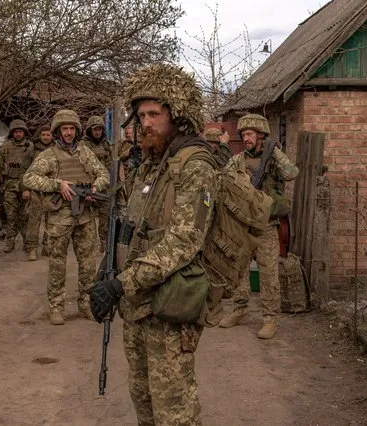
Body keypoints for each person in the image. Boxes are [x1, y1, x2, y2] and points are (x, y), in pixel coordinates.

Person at [90, 63, 217, 425]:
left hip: (170, 306)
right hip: (137, 306)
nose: (145, 122)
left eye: (154, 114)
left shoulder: (195, 166)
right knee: (143, 397)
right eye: (141, 114)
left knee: (174, 409)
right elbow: (132, 231)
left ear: (177, 116)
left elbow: (183, 240)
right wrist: (105, 276)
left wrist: (120, 284)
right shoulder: (149, 166)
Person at [23, 110, 109, 325]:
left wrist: (96, 186)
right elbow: (29, 178)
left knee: (88, 263)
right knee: (57, 264)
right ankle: (56, 306)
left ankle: (87, 304)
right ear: (57, 131)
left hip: (85, 217)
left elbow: (104, 174)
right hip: (60, 218)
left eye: (72, 129)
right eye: (65, 129)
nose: (69, 133)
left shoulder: (85, 152)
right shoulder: (49, 156)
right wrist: (57, 184)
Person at [218, 114, 299, 339]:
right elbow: (223, 178)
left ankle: (270, 318)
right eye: (244, 134)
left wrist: (274, 153)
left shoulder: (273, 158)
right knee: (239, 269)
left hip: (266, 225)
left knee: (268, 272)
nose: (246, 138)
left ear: (262, 136)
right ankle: (239, 308)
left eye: (250, 134)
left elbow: (292, 173)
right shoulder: (239, 160)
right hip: (243, 224)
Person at [0, 119, 35, 256]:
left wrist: (29, 187)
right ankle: (10, 242)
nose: (18, 134)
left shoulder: (30, 147)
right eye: (16, 132)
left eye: (20, 131)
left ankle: (28, 244)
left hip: (25, 187)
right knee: (11, 216)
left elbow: (35, 167)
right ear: (12, 133)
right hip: (9, 186)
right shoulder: (5, 147)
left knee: (25, 217)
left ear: (24, 132)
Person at [79, 115, 112, 250]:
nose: (97, 132)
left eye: (99, 129)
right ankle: (87, 243)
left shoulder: (106, 144)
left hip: (102, 186)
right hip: (87, 186)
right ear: (89, 130)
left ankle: (104, 242)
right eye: (95, 129)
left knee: (105, 215)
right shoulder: (83, 145)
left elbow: (110, 165)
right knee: (86, 217)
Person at [25, 125, 54, 260]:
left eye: (48, 135)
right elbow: (25, 169)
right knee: (34, 219)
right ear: (40, 136)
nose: (46, 137)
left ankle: (48, 246)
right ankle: (32, 248)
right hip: (36, 190)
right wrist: (25, 188)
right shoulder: (32, 149)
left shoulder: (56, 148)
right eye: (43, 135)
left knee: (51, 219)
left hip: (52, 189)